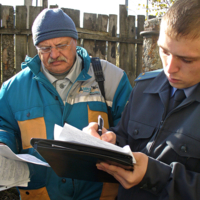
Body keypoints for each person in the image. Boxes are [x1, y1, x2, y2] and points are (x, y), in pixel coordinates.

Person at [0, 8, 132, 200]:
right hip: (40, 194)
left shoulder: (112, 79)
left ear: (75, 42)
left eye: (61, 45)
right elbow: (4, 126)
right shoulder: (12, 89)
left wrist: (115, 139)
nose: (54, 54)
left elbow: (132, 127)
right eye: (45, 48)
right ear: (35, 48)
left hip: (100, 193)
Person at [83, 0, 200, 199]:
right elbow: (125, 138)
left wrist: (155, 175)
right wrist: (109, 141)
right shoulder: (145, 87)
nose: (169, 68)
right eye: (164, 51)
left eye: (186, 60)